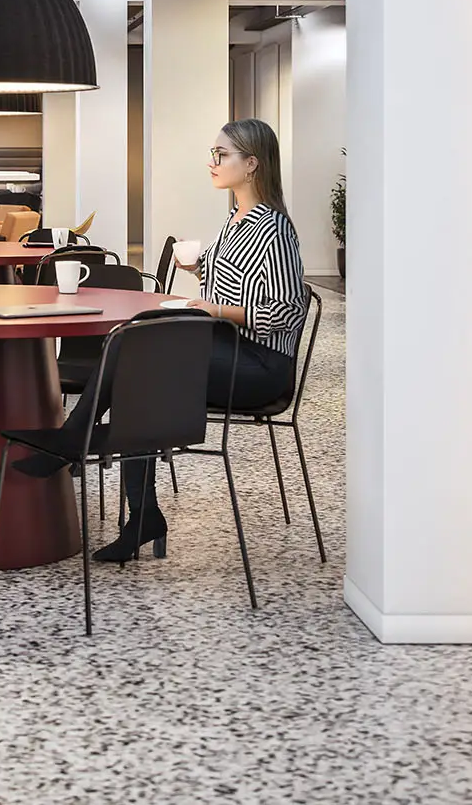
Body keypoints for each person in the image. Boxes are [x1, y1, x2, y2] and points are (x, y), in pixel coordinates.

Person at [16, 117, 309, 563]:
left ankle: (73, 444)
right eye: (213, 153)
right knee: (132, 348)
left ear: (251, 164)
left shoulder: (274, 226)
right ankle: (134, 507)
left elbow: (285, 312)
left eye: (222, 155)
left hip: (262, 367)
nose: (212, 162)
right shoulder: (235, 218)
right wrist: (200, 269)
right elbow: (237, 280)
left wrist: (213, 309)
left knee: (136, 360)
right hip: (228, 347)